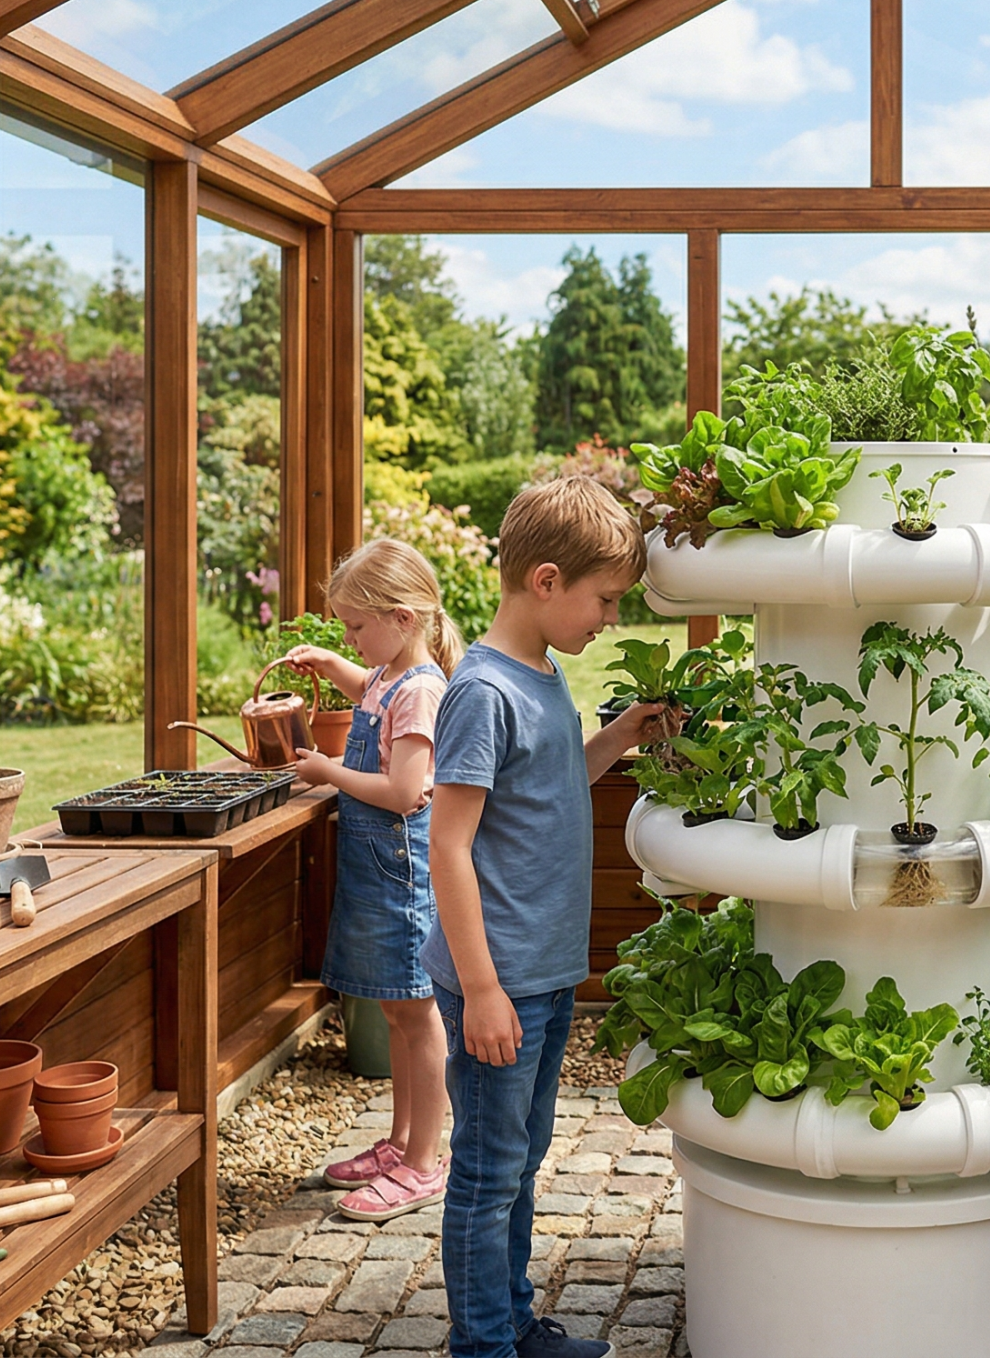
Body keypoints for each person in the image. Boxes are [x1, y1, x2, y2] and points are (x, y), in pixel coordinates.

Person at [427, 477, 665, 1358]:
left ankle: (515, 1323)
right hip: (503, 983)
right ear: (547, 580)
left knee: (520, 1165)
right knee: (487, 1178)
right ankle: (482, 1346)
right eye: (605, 599)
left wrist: (620, 736)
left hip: (543, 973)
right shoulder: (481, 693)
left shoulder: (544, 675)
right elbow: (447, 847)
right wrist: (483, 991)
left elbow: (551, 785)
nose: (610, 618)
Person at [283, 538, 467, 1221]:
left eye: (356, 628)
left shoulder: (420, 691)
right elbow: (368, 695)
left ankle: (424, 1162)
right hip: (381, 868)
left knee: (418, 1015)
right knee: (396, 1008)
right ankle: (400, 1141)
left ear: (403, 618)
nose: (352, 639)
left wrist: (328, 770)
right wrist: (334, 665)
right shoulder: (391, 676)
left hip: (403, 870)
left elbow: (402, 790)